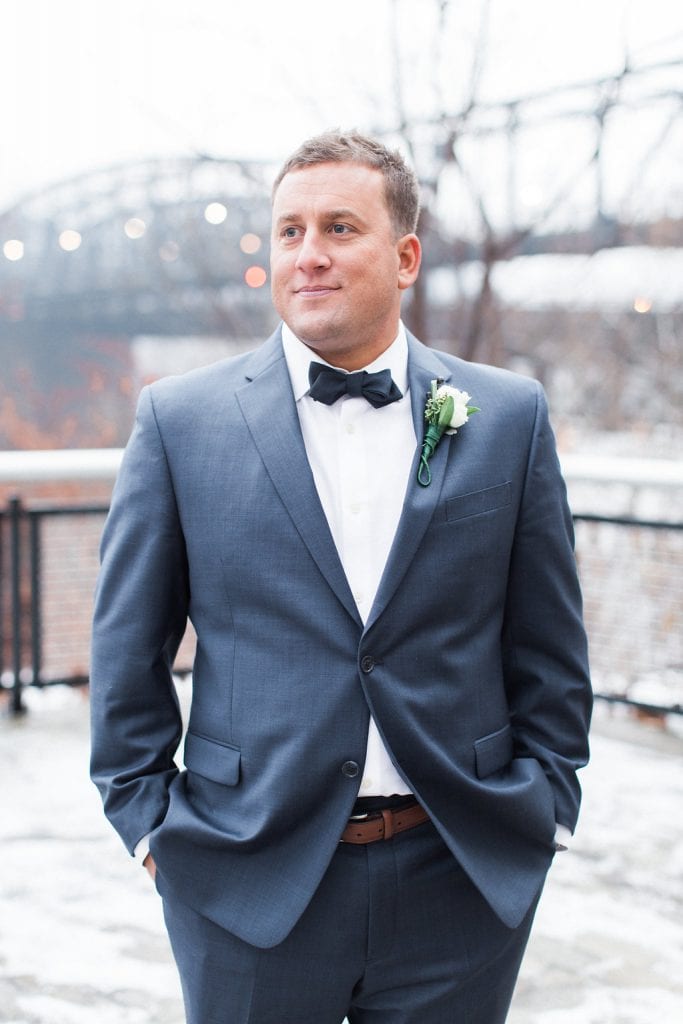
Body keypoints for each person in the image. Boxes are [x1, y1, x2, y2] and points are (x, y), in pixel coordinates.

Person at [90, 130, 592, 1023]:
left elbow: (548, 641)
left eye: (338, 228)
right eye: (288, 232)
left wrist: (544, 810)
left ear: (403, 257)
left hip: (461, 878)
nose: (308, 255)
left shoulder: (506, 416)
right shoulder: (180, 421)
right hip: (247, 882)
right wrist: (151, 834)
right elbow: (127, 650)